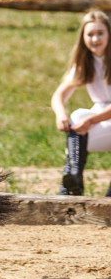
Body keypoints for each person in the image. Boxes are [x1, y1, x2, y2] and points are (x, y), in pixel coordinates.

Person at [51, 10, 111, 196]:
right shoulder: (85, 63)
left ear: (109, 33)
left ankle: (69, 185)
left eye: (100, 33)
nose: (95, 39)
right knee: (78, 116)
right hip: (103, 116)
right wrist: (61, 114)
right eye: (90, 34)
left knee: (85, 119)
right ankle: (73, 180)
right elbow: (59, 94)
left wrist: (92, 121)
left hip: (104, 116)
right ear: (83, 37)